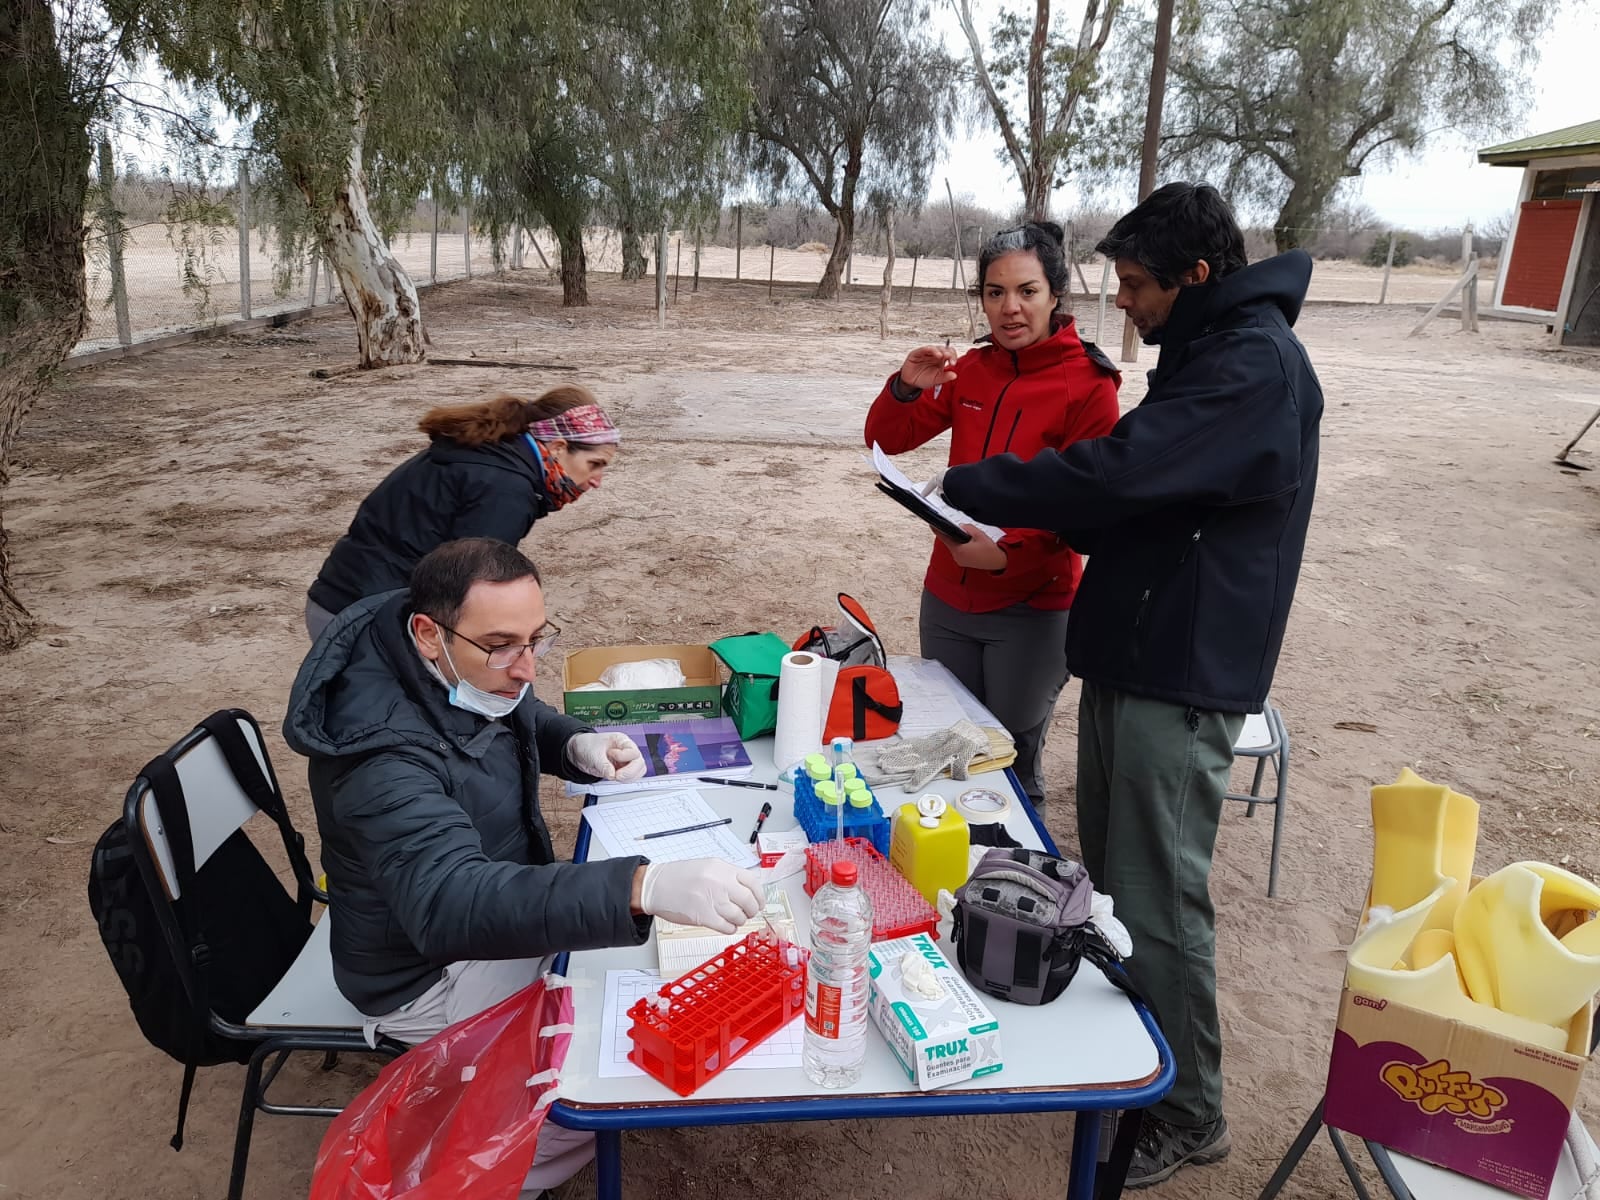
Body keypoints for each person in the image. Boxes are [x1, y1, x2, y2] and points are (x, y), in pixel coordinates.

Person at [937, 183, 1323, 1187]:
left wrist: (986, 483)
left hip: (1180, 670)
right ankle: (1128, 1063)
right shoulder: (1210, 357)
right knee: (1108, 883)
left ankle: (1188, 1112)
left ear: (1198, 278)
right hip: (1134, 652)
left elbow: (1123, 470)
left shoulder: (1251, 368)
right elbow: (1147, 504)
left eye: (1140, 284)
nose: (1126, 303)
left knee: (1153, 900)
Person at [283, 537, 763, 1193]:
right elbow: (455, 903)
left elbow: (511, 707)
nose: (527, 666)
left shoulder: (442, 657)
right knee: (593, 1079)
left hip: (473, 908)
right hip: (422, 971)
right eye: (505, 644)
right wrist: (641, 884)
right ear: (429, 633)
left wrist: (574, 744)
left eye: (537, 638)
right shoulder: (379, 761)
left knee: (614, 972)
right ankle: (482, 1171)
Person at [864, 222, 1120, 808]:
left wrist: (1007, 555)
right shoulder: (973, 369)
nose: (1009, 308)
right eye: (994, 292)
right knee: (945, 743)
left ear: (1055, 294)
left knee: (1009, 756)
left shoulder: (1089, 384)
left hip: (1031, 608)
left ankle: (1014, 874)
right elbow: (885, 438)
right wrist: (906, 387)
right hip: (949, 592)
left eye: (1027, 291)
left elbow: (1090, 504)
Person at [303, 385, 620, 640]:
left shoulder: (493, 454)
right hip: (366, 618)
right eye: (595, 465)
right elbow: (473, 588)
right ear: (558, 448)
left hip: (343, 599)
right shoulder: (506, 488)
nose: (596, 481)